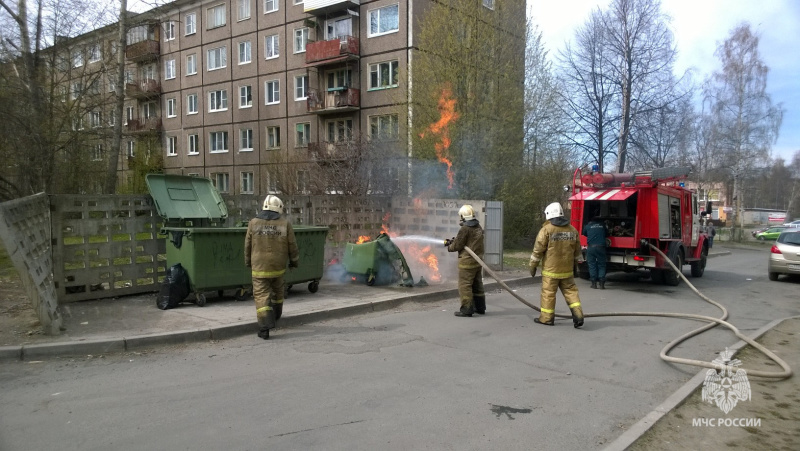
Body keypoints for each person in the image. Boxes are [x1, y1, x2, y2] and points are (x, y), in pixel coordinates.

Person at [244, 195, 299, 340]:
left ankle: (264, 328)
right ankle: (276, 316)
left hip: (259, 267)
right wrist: (294, 262)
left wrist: (248, 261)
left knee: (262, 296)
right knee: (277, 292)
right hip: (278, 266)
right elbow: (292, 245)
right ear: (279, 208)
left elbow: (248, 245)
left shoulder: (253, 223)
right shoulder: (284, 224)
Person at [529, 202, 585, 328]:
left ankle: (547, 318)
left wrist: (533, 266)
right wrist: (575, 267)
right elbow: (577, 252)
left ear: (549, 215)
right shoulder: (572, 230)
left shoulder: (546, 230)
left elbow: (538, 250)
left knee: (548, 294)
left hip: (551, 272)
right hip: (567, 271)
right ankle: (578, 315)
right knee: (571, 292)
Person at [444, 204, 485, 317]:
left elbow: (457, 245)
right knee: (477, 284)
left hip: (467, 262)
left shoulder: (465, 229)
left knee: (465, 285)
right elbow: (467, 242)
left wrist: (449, 246)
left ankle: (467, 309)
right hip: (477, 261)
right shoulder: (478, 227)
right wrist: (455, 241)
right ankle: (480, 307)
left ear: (463, 216)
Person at [582, 215, 609, 289]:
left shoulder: (588, 226)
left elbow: (584, 233)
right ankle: (602, 284)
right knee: (602, 265)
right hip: (601, 247)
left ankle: (594, 284)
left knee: (592, 265)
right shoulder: (602, 225)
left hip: (591, 247)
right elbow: (607, 234)